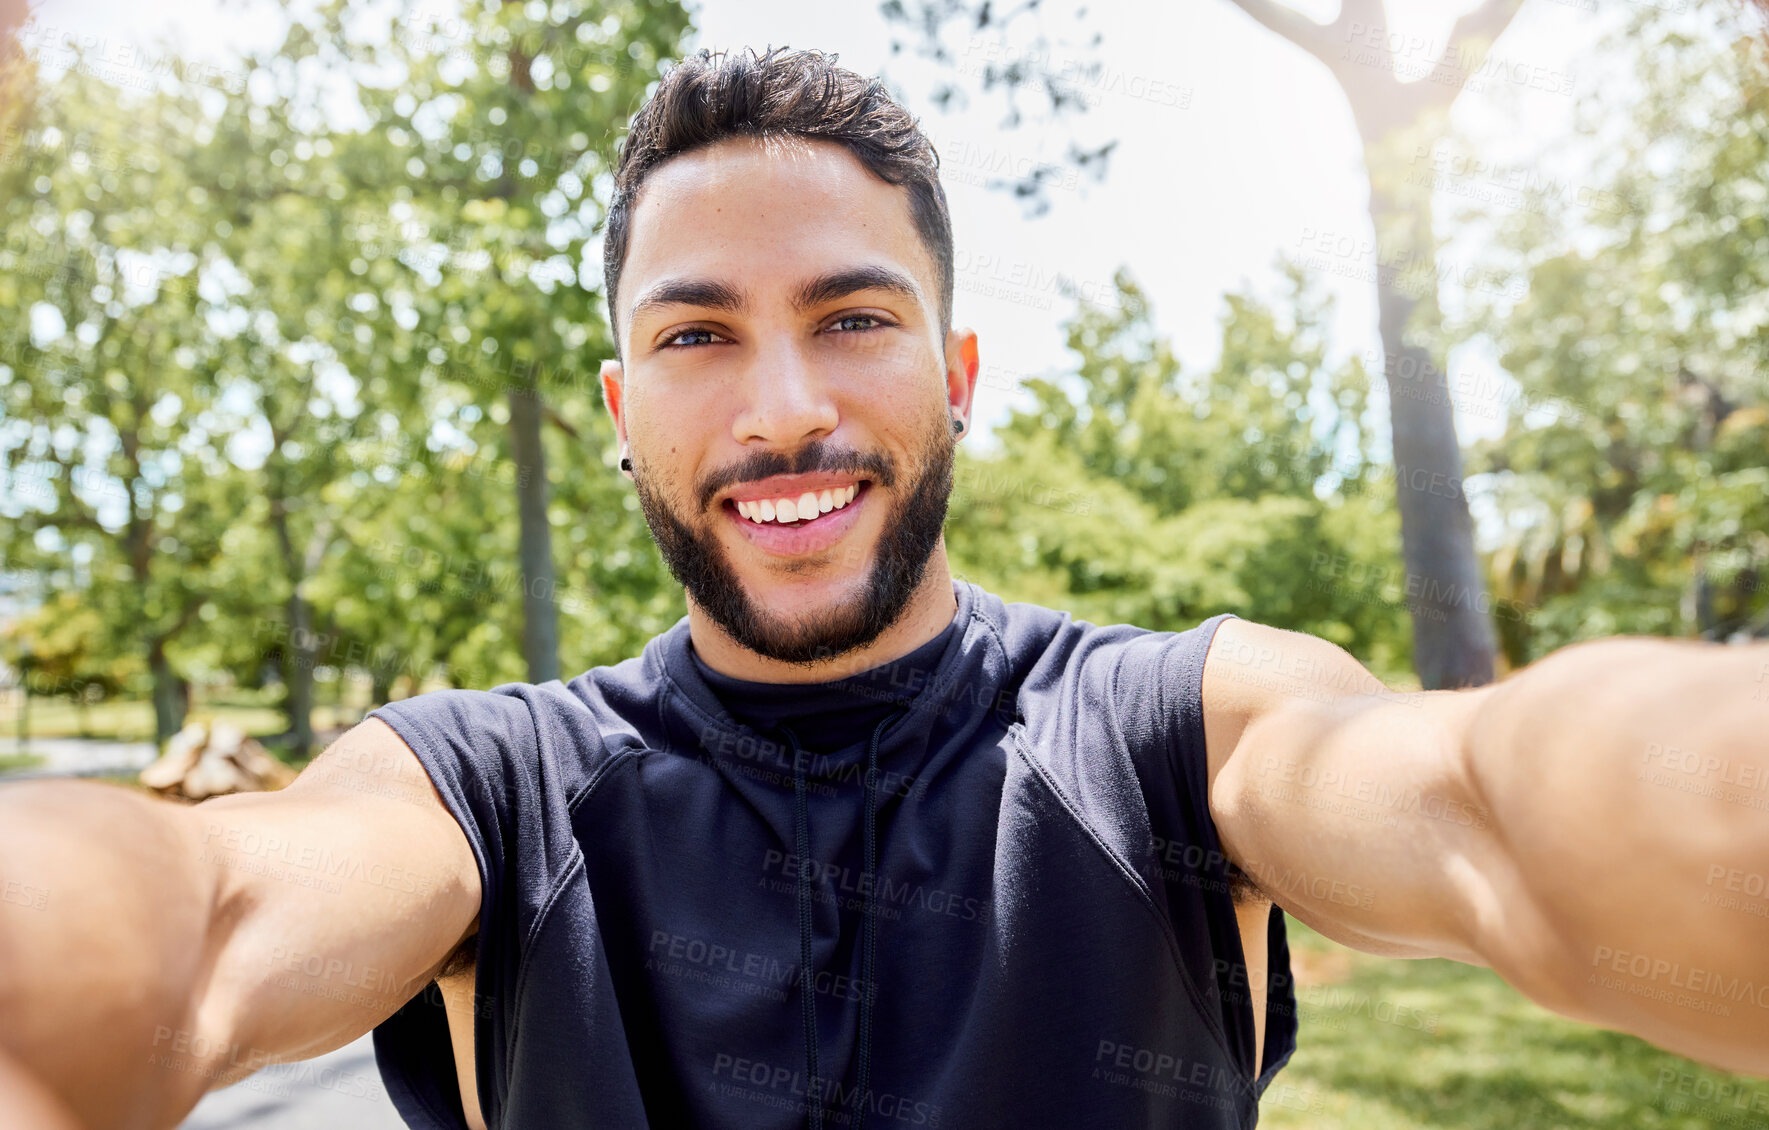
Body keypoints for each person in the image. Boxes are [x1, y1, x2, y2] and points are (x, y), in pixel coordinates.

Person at [2, 46, 1766, 1130]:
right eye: (696, 335)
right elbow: (208, 909)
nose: (783, 411)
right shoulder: (483, 786)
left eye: (852, 318)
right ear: (621, 411)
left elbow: (1486, 803)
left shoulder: (1173, 731)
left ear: (958, 369)